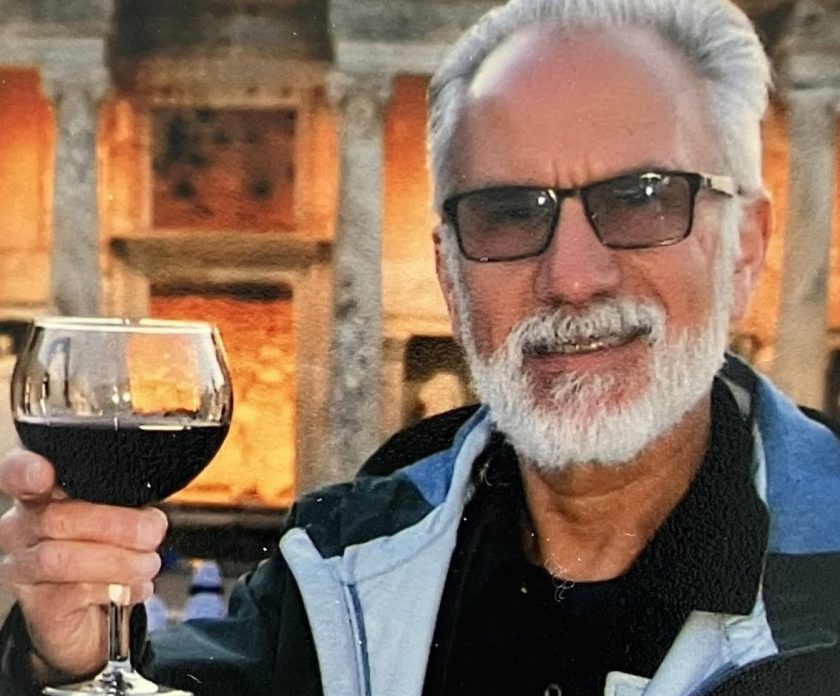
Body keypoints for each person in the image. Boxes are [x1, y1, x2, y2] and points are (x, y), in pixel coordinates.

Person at [2, 0, 840, 693]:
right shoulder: (338, 562)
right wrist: (63, 660)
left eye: (643, 198)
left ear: (746, 245)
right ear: (449, 271)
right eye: (509, 213)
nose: (574, 277)